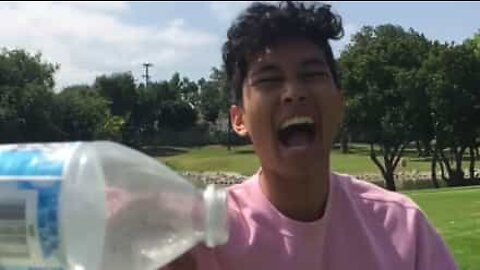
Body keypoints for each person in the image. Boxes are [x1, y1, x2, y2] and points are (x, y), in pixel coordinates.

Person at [164, 1, 457, 269]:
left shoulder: (402, 226)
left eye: (312, 75)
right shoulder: (199, 241)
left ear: (340, 103)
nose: (294, 93)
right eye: (269, 80)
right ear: (239, 120)